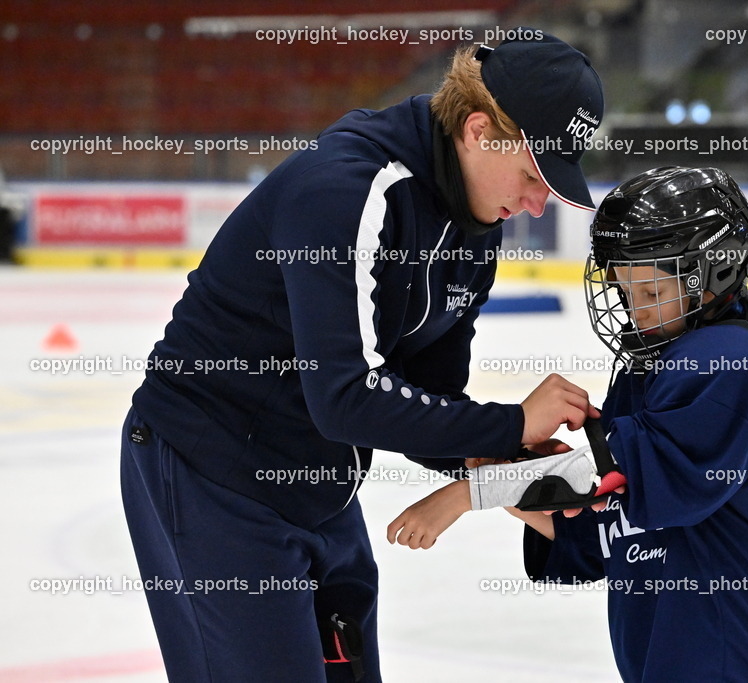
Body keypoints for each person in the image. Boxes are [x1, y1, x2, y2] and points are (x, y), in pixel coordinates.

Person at [120, 30, 604, 683]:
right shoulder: (346, 190)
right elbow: (347, 395)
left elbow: (428, 401)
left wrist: (513, 464)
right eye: (531, 175)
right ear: (479, 130)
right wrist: (512, 425)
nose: (536, 204)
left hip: (318, 481)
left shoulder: (474, 231)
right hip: (213, 474)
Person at [387, 166, 748, 681]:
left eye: (652, 293)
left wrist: (469, 492)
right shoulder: (647, 370)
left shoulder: (728, 358)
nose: (635, 313)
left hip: (743, 647)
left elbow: (611, 476)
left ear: (713, 277)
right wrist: (509, 479)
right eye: (626, 291)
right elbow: (605, 528)